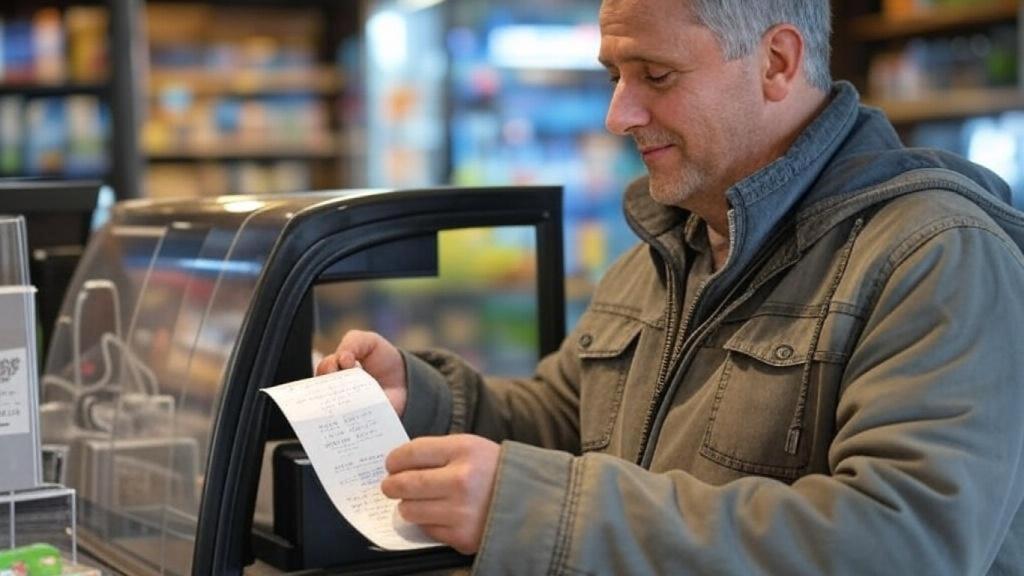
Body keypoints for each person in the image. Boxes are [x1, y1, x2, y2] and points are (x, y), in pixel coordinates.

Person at [317, 0, 1024, 573]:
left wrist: (533, 507)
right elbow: (568, 421)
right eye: (614, 75)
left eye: (655, 76)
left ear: (778, 63)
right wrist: (423, 400)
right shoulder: (670, 245)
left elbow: (904, 546)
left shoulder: (936, 256)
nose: (618, 114)